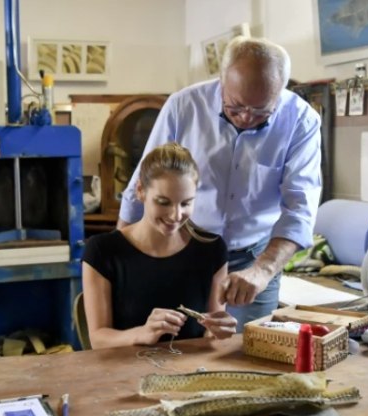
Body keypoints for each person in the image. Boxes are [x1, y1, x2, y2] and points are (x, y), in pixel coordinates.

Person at [118, 36, 322, 330]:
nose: (246, 119)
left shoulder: (301, 121)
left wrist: (262, 271)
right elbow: (145, 181)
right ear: (222, 80)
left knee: (248, 352)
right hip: (183, 246)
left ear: (281, 91)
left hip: (256, 255)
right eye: (235, 107)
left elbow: (300, 209)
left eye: (261, 111)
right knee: (173, 344)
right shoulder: (184, 106)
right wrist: (120, 259)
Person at [82, 143, 237, 349]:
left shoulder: (212, 249)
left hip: (190, 372)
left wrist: (219, 330)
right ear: (140, 191)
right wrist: (142, 333)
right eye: (163, 202)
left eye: (186, 203)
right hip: (124, 372)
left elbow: (209, 333)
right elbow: (99, 339)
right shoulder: (102, 251)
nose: (175, 215)